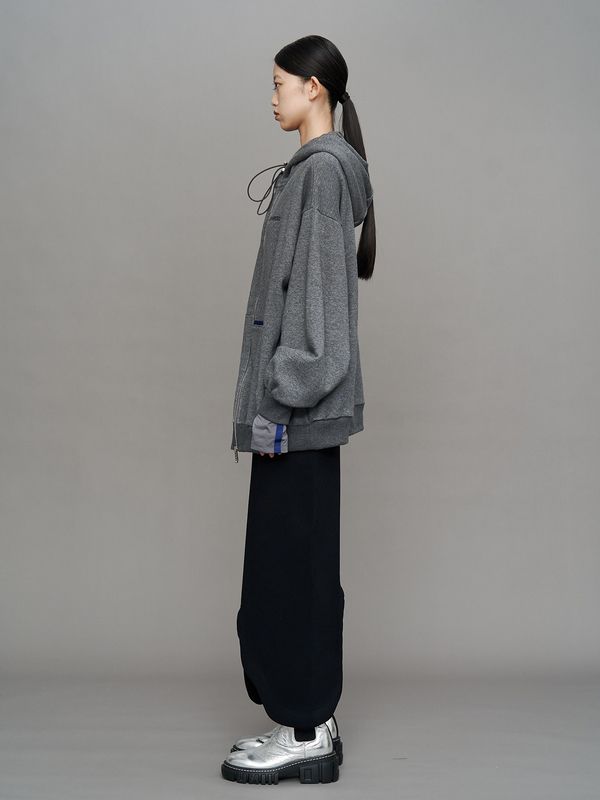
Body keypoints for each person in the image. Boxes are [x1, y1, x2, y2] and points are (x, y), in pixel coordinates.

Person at [222, 34, 376, 785]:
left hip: (294, 414)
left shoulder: (319, 174)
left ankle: (307, 729)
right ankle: (308, 719)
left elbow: (318, 319)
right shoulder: (318, 171)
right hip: (291, 416)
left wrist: (283, 393)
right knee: (294, 569)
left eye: (281, 83)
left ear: (315, 88)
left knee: (292, 575)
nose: (273, 96)